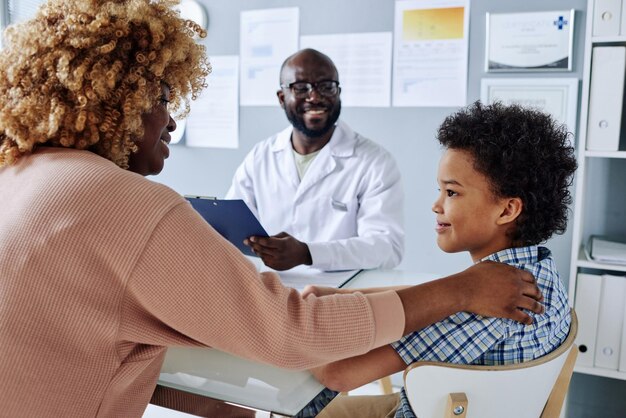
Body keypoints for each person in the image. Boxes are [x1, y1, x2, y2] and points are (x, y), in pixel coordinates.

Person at [0, 2, 545, 417]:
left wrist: (307, 258)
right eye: (164, 97)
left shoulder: (19, 175)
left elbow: (84, 337)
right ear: (113, 99)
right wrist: (458, 289)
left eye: (326, 86)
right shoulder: (133, 202)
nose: (171, 120)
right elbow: (291, 333)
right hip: (289, 315)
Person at [302, 102, 578, 418]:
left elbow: (339, 374)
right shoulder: (540, 269)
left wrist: (292, 333)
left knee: (300, 406)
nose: (436, 205)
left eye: (452, 193)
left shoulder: (489, 305)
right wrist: (341, 298)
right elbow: (436, 297)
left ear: (507, 210)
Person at [226, 48, 404, 271]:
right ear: (282, 98)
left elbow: (387, 248)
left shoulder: (374, 162)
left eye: (326, 86)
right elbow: (231, 229)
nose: (315, 97)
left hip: (340, 293)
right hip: (273, 289)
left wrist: (308, 254)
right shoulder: (260, 157)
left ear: (338, 92)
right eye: (301, 88)